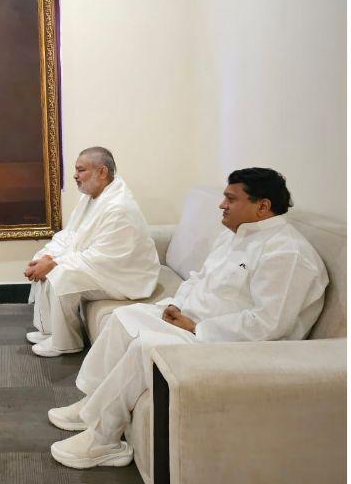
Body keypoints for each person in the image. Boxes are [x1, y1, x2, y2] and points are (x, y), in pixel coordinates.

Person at [47, 168, 329, 469]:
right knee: (123, 318)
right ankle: (92, 402)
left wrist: (197, 326)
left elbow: (268, 324)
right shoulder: (234, 235)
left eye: (231, 199)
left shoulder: (287, 253)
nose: (222, 205)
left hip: (232, 343)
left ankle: (104, 440)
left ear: (263, 206)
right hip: (190, 320)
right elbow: (200, 279)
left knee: (146, 347)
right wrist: (176, 306)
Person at [24, 147, 159, 358]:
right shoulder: (92, 197)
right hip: (104, 266)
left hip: (127, 275)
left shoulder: (118, 207)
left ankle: (66, 343)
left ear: (102, 172)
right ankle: (51, 330)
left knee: (62, 274)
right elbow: (71, 235)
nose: (75, 176)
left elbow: (102, 257)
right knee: (45, 261)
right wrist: (48, 256)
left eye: (81, 170)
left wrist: (55, 264)